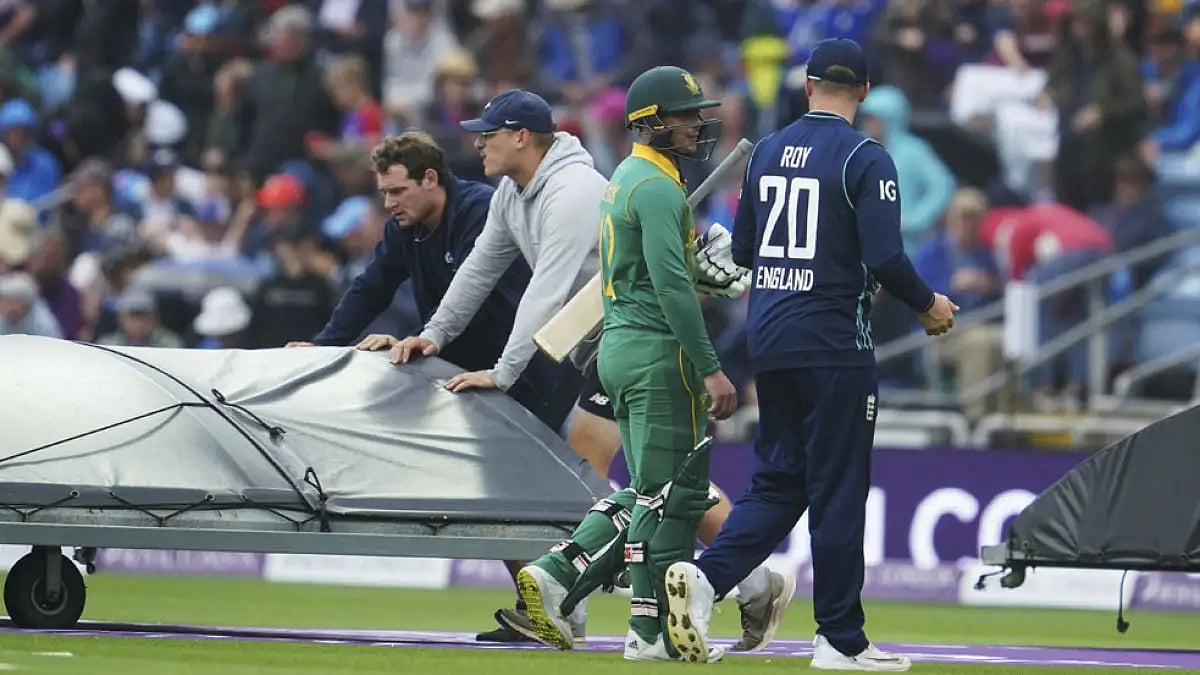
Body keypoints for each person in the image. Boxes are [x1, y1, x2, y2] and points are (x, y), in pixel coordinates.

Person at [662, 39, 957, 671]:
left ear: (807, 85)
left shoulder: (767, 151)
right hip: (834, 342)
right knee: (838, 489)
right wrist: (928, 303)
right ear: (866, 93)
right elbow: (885, 255)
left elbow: (745, 251)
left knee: (780, 481)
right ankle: (840, 639)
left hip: (771, 337)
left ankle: (707, 580)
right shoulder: (866, 157)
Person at [477, 67, 776, 664]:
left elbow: (655, 273)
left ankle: (576, 583)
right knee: (673, 499)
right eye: (684, 115)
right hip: (658, 354)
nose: (696, 125)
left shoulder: (626, 179)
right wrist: (711, 366)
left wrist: (693, 268)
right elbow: (670, 289)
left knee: (649, 494)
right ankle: (639, 624)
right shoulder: (659, 189)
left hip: (618, 348)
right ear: (650, 122)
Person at [287, 131, 580, 643]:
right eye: (383, 192)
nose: (389, 203)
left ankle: (582, 589)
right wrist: (324, 345)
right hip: (475, 373)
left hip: (531, 367)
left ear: (430, 179)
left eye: (397, 191)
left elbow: (475, 293)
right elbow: (372, 286)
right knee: (500, 495)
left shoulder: (480, 211)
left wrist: (419, 339)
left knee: (539, 492)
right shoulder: (407, 229)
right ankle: (548, 608)